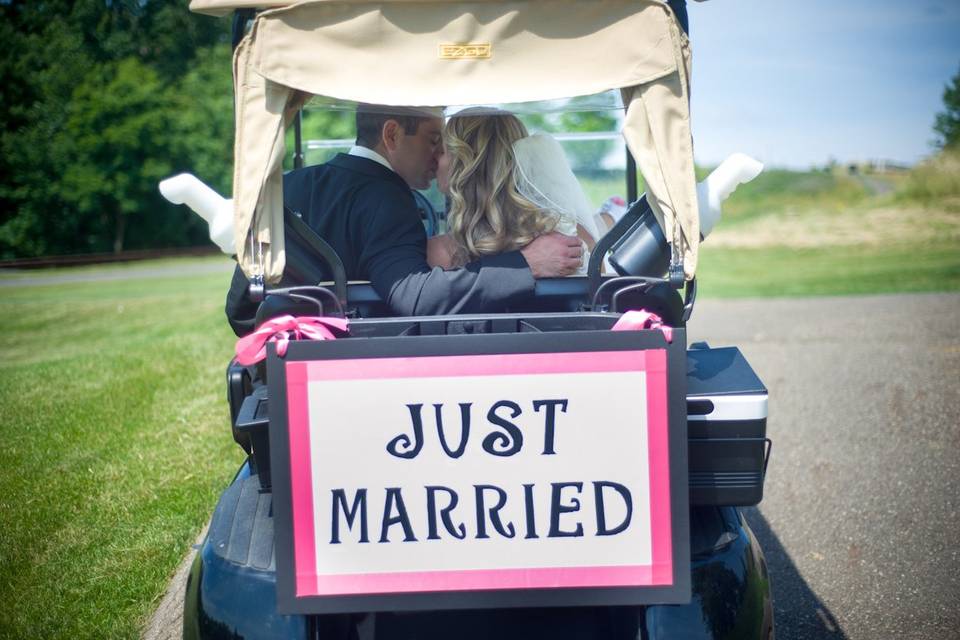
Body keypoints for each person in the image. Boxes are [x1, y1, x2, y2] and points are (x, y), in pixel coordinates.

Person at [225, 104, 583, 336]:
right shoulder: (388, 198)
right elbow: (413, 298)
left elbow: (241, 308)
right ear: (391, 135)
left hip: (279, 374)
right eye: (432, 140)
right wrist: (525, 264)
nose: (436, 155)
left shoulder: (287, 186)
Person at [427, 110, 600, 272]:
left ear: (467, 165)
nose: (433, 158)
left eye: (442, 151)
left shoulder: (442, 253)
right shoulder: (568, 232)